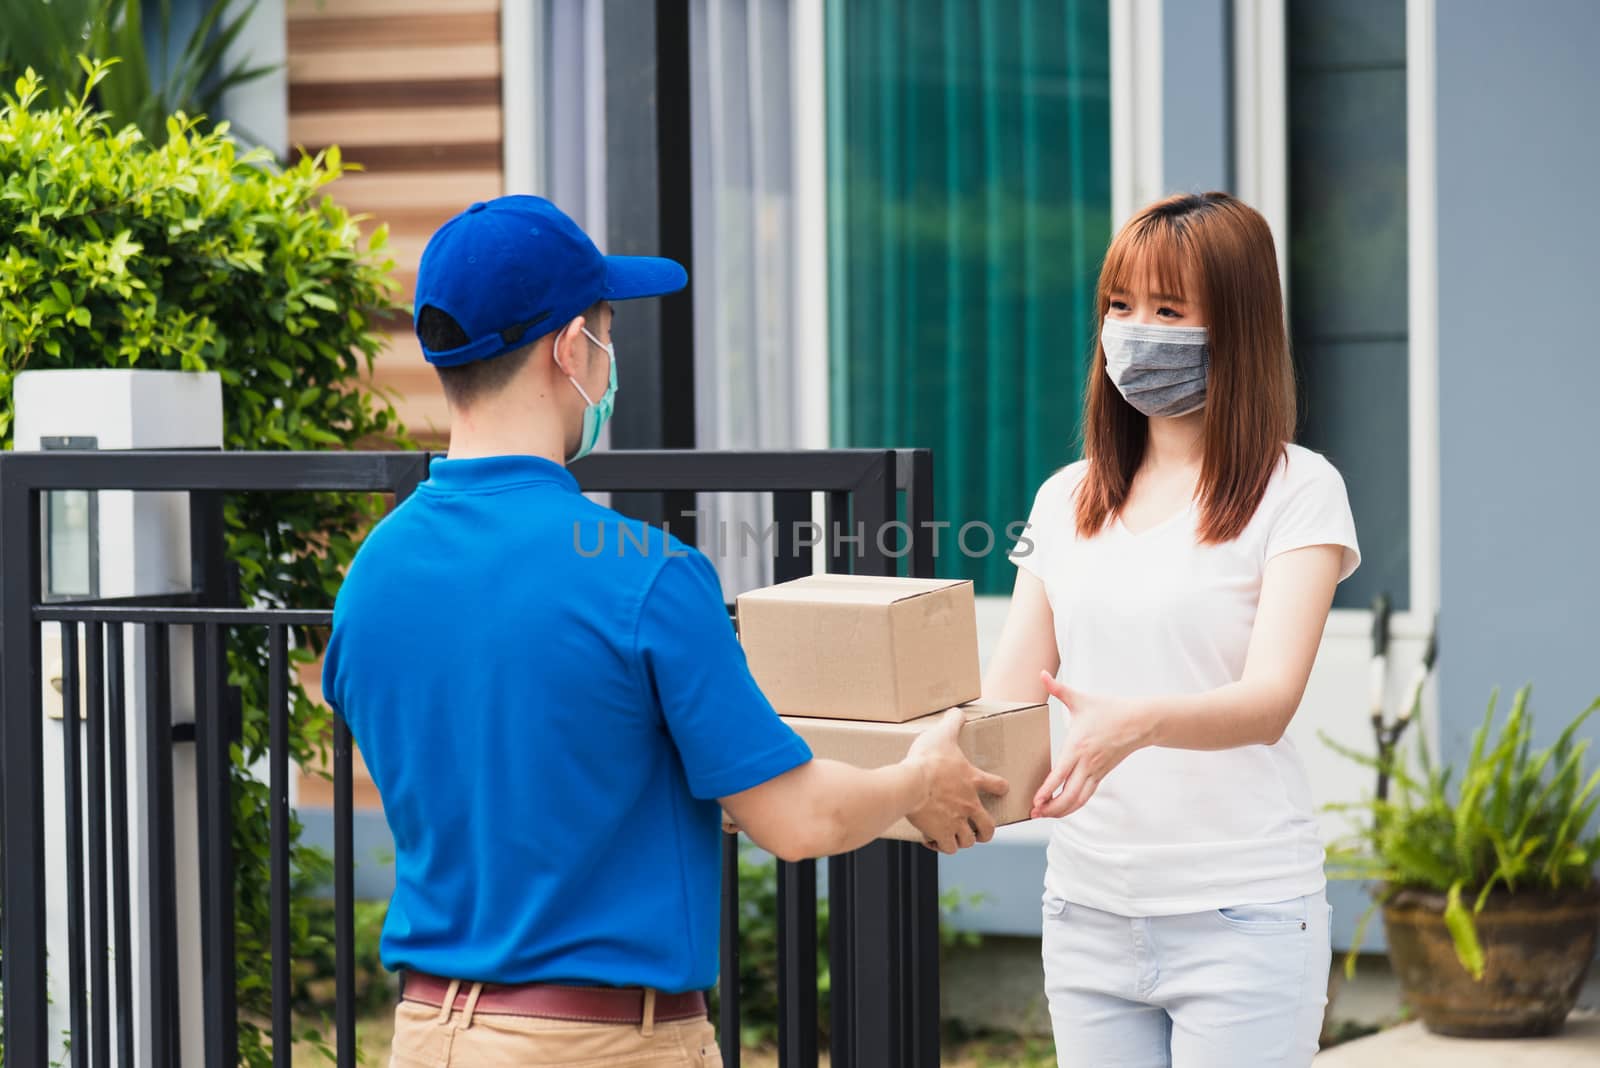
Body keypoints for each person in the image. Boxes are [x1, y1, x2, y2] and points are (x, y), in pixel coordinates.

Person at [321, 195, 1009, 1068]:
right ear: (570, 349)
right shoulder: (642, 571)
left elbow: (505, 772)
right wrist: (919, 777)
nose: (608, 366)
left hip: (425, 1036)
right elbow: (797, 820)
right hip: (600, 1044)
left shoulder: (371, 575)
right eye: (606, 336)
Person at [984, 192, 1360, 1067]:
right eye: (1119, 306)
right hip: (1085, 915)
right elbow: (1007, 696)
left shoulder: (1299, 492)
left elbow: (1267, 702)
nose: (1133, 331)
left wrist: (1134, 724)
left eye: (1166, 310)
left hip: (1243, 916)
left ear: (1235, 325)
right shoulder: (1065, 498)